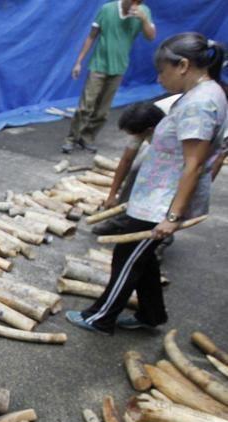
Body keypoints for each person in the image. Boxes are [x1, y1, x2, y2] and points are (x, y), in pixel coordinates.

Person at [67, 33, 227, 335]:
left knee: (127, 257)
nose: (159, 78)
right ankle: (152, 315)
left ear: (182, 65)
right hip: (154, 195)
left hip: (161, 203)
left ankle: (101, 317)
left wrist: (172, 216)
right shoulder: (201, 94)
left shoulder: (202, 103)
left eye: (163, 71)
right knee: (143, 257)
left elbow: (194, 164)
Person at [62, 0, 156, 153]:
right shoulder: (107, 9)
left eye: (138, 1)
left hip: (119, 67)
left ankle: (87, 138)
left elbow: (151, 36)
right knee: (85, 106)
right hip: (99, 65)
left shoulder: (143, 12)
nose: (135, 3)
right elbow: (91, 36)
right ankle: (72, 138)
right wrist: (78, 62)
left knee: (103, 111)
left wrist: (144, 19)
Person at [90, 101, 166, 236]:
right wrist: (112, 194)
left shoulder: (178, 127)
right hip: (159, 133)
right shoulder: (143, 119)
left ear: (149, 130)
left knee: (165, 184)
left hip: (189, 148)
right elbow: (126, 160)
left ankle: (162, 230)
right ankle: (119, 220)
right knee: (137, 169)